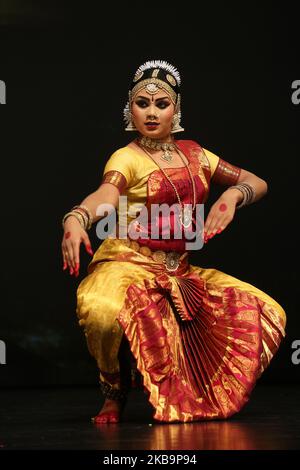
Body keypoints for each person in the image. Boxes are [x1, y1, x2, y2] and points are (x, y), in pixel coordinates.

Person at [61, 60, 287, 424]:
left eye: (161, 104)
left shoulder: (196, 154)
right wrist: (77, 218)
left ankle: (189, 392)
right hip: (129, 263)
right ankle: (113, 391)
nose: (151, 113)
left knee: (268, 311)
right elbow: (106, 195)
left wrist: (232, 197)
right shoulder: (127, 157)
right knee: (101, 310)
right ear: (129, 107)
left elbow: (256, 181)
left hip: (180, 270)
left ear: (176, 109)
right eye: (142, 103)